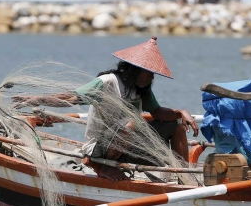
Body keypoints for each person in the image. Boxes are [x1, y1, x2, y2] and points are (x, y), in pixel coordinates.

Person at [14, 37, 199, 181]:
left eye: (152, 74)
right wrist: (36, 100)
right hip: (98, 149)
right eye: (147, 72)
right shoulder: (109, 81)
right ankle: (102, 166)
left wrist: (180, 112)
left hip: (129, 146)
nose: (151, 77)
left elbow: (158, 113)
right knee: (131, 123)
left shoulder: (142, 90)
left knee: (176, 124)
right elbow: (72, 97)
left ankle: (183, 175)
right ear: (134, 69)